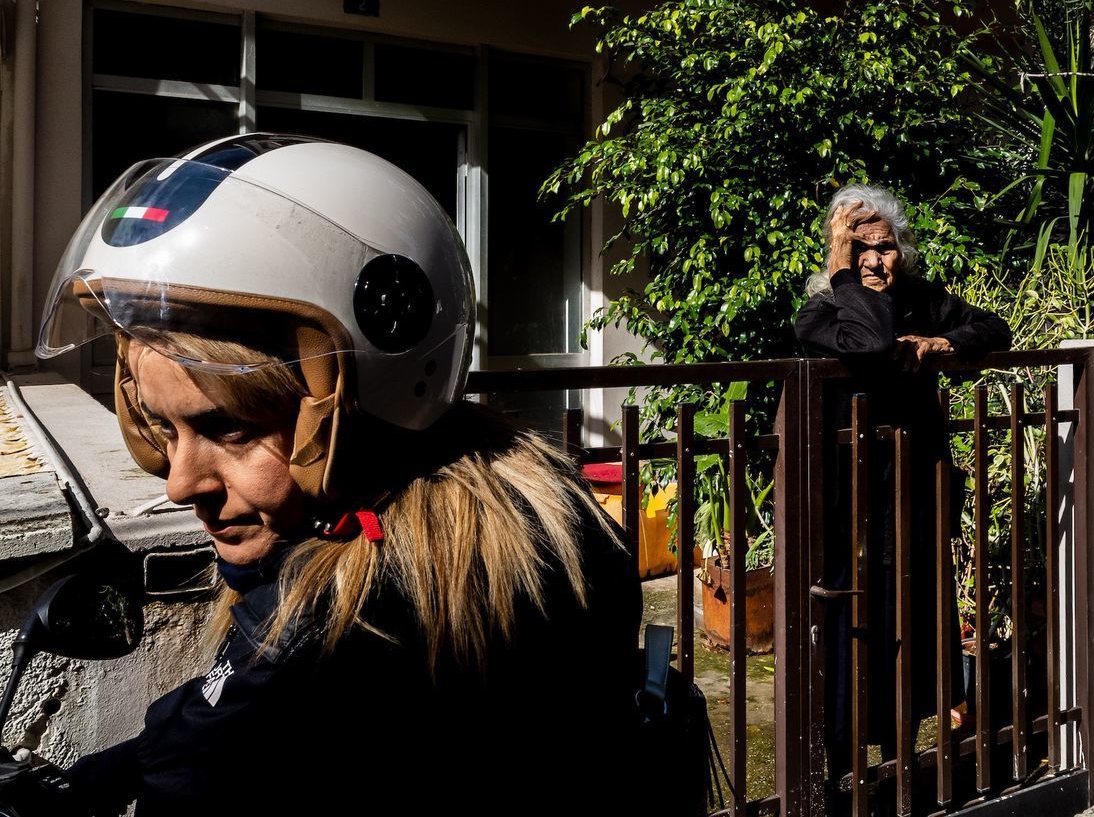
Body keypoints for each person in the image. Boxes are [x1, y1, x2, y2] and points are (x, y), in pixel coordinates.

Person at [36, 134, 641, 816]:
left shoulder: (339, 642)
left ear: (358, 412)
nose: (179, 483)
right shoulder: (531, 514)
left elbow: (209, 756)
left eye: (228, 429)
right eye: (162, 429)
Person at [794, 184, 1011, 784]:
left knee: (910, 619)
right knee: (849, 625)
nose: (873, 260)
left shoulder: (921, 300)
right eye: (858, 248)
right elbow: (867, 340)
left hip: (910, 497)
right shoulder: (821, 311)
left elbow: (995, 327)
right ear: (839, 256)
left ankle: (903, 755)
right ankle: (841, 762)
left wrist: (947, 341)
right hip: (846, 508)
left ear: (901, 251)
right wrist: (843, 276)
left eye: (884, 248)